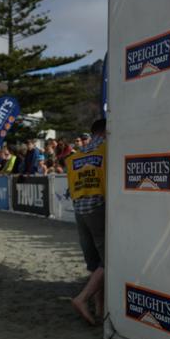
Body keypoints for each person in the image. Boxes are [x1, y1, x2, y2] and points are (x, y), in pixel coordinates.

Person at [65, 119, 107, 325]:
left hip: (79, 210)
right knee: (109, 260)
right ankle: (83, 299)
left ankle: (100, 308)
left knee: (95, 264)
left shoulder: (75, 157)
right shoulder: (108, 149)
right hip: (98, 208)